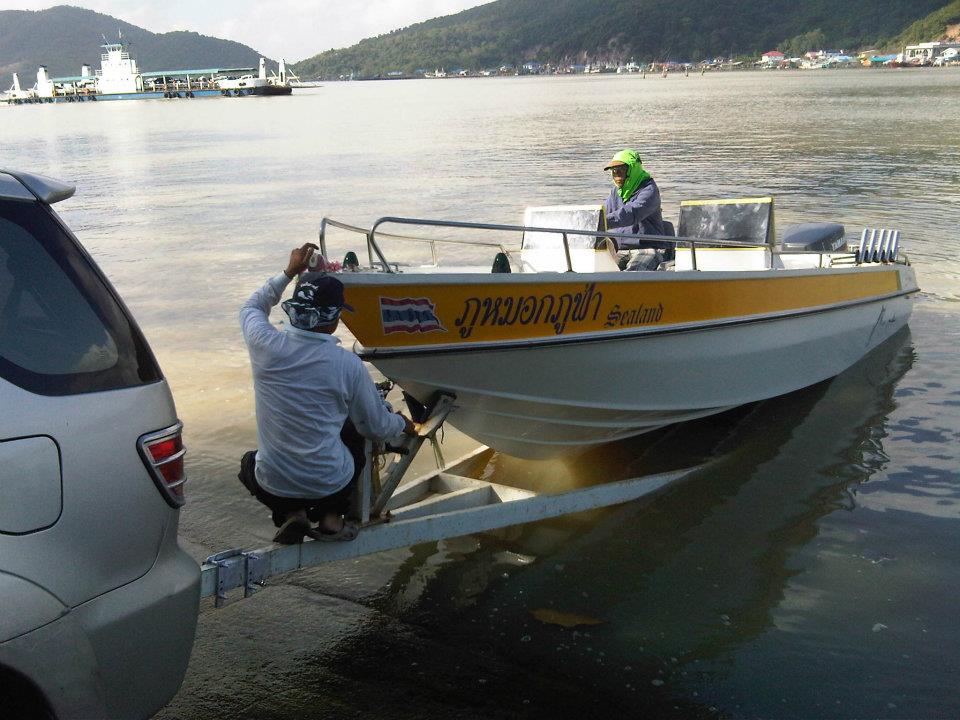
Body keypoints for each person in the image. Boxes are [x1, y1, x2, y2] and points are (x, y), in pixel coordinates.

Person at [239, 243, 416, 544]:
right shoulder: (348, 365)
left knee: (248, 464)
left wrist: (288, 273)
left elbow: (251, 308)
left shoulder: (264, 345)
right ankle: (332, 520)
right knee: (354, 432)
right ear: (334, 319)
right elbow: (375, 427)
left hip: (273, 485)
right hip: (328, 486)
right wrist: (401, 423)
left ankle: (292, 514)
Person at [602, 149, 672, 270]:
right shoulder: (616, 192)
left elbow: (632, 213)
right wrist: (591, 220)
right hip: (620, 250)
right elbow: (603, 213)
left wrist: (602, 221)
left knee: (634, 270)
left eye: (621, 170)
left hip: (648, 248)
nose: (617, 175)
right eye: (614, 171)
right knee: (597, 268)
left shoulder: (649, 190)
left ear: (633, 170)